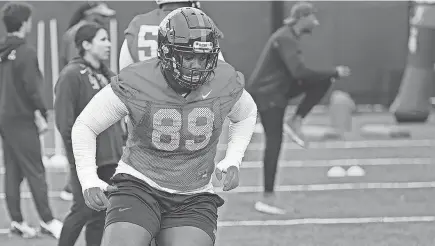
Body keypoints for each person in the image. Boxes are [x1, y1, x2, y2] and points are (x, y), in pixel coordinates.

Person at [71, 7, 257, 246]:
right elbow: (86, 124)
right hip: (139, 184)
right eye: (188, 57)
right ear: (166, 53)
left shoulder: (223, 79)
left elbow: (246, 113)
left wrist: (233, 157)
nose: (197, 66)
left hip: (193, 194)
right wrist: (88, 177)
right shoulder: (139, 80)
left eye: (203, 58)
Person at [246, 1, 351, 215]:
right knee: (274, 142)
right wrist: (335, 71)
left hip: (278, 91)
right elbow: (299, 72)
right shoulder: (285, 38)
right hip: (268, 94)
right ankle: (267, 198)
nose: (316, 22)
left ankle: (296, 120)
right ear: (302, 17)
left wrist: (330, 74)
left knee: (324, 79)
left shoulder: (289, 37)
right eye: (313, 17)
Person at [54, 23, 124, 246]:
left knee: (101, 211)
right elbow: (64, 122)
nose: (108, 44)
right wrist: (78, 160)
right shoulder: (71, 75)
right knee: (82, 209)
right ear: (85, 44)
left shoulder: (107, 75)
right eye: (102, 39)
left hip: (111, 156)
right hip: (87, 159)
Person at [0, 2, 63, 238]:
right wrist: (42, 113)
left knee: (13, 171)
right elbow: (33, 88)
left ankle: (17, 221)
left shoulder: (3, 50)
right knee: (36, 170)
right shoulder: (26, 52)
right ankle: (47, 220)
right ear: (25, 23)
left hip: (4, 117)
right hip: (22, 118)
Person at [58, 1, 115, 201]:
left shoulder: (91, 33)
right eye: (100, 16)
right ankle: (72, 184)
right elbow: (77, 66)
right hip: (81, 94)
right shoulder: (79, 35)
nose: (104, 20)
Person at [119, 0, 224, 70]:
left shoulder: (138, 24)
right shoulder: (200, 22)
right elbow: (219, 69)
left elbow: (124, 71)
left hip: (144, 100)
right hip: (186, 99)